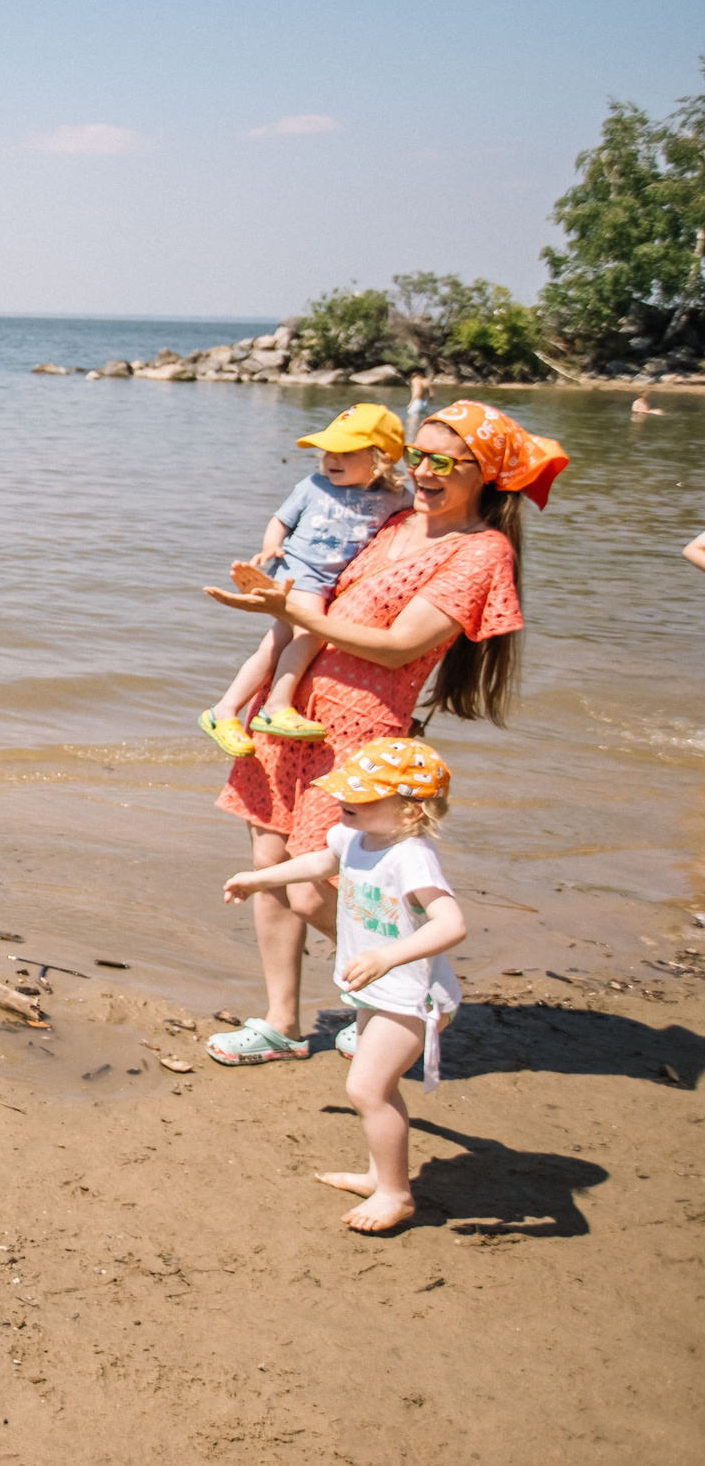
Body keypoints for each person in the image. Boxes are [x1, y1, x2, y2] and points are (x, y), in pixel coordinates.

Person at [200, 400, 564, 1065]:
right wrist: (274, 588)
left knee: (316, 886)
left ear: (485, 474)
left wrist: (291, 611)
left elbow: (400, 647)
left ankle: (412, 985)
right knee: (269, 868)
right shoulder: (391, 518)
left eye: (444, 462)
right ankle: (282, 1024)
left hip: (359, 732)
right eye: (418, 455)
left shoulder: (483, 551)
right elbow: (314, 575)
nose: (422, 471)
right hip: (286, 711)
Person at [222, 737, 466, 1232]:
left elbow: (451, 924)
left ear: (410, 810)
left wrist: (386, 956)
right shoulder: (355, 836)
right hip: (378, 990)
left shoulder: (411, 856)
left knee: (367, 1089)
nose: (343, 799)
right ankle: (381, 1175)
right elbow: (319, 864)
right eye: (345, 789)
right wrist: (259, 879)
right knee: (378, 1087)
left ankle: (396, 1194)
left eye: (361, 794)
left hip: (411, 995)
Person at [199, 404, 411, 756]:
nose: (331, 459)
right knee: (311, 632)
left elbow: (421, 517)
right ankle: (276, 706)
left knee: (273, 646)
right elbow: (280, 520)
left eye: (345, 452)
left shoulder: (395, 497)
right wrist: (271, 546)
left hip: (327, 583)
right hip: (298, 573)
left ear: (382, 459)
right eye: (328, 451)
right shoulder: (313, 486)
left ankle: (223, 711)